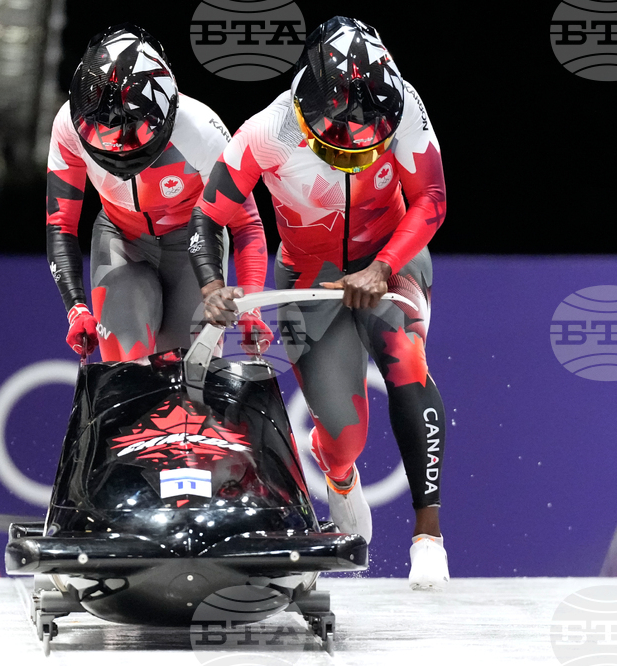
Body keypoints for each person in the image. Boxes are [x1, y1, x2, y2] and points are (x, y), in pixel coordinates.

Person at [188, 16, 450, 589]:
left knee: (408, 362)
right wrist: (212, 285)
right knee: (345, 433)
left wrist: (384, 266)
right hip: (311, 277)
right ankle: (337, 471)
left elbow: (430, 198)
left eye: (367, 141)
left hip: (393, 257)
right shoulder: (266, 132)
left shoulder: (404, 105)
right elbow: (208, 216)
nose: (354, 148)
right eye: (341, 141)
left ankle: (428, 535)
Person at [46, 23, 272, 361]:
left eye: (130, 134)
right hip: (120, 239)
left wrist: (252, 308)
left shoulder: (201, 131)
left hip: (194, 246)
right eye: (103, 135)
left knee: (187, 393)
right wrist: (75, 307)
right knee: (127, 375)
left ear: (161, 114)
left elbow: (246, 224)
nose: (117, 150)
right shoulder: (67, 125)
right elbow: (60, 223)